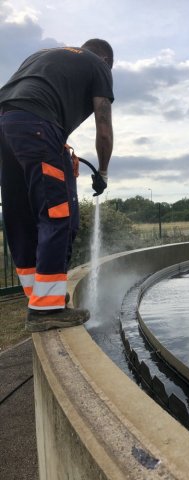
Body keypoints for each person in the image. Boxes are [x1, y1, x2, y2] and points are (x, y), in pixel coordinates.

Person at [0, 39, 114, 332]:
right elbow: (104, 128)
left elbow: (23, 101)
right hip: (37, 125)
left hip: (7, 125)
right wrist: (102, 171)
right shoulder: (98, 65)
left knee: (20, 216)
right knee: (58, 213)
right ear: (106, 59)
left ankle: (40, 298)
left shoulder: (43, 55)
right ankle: (46, 310)